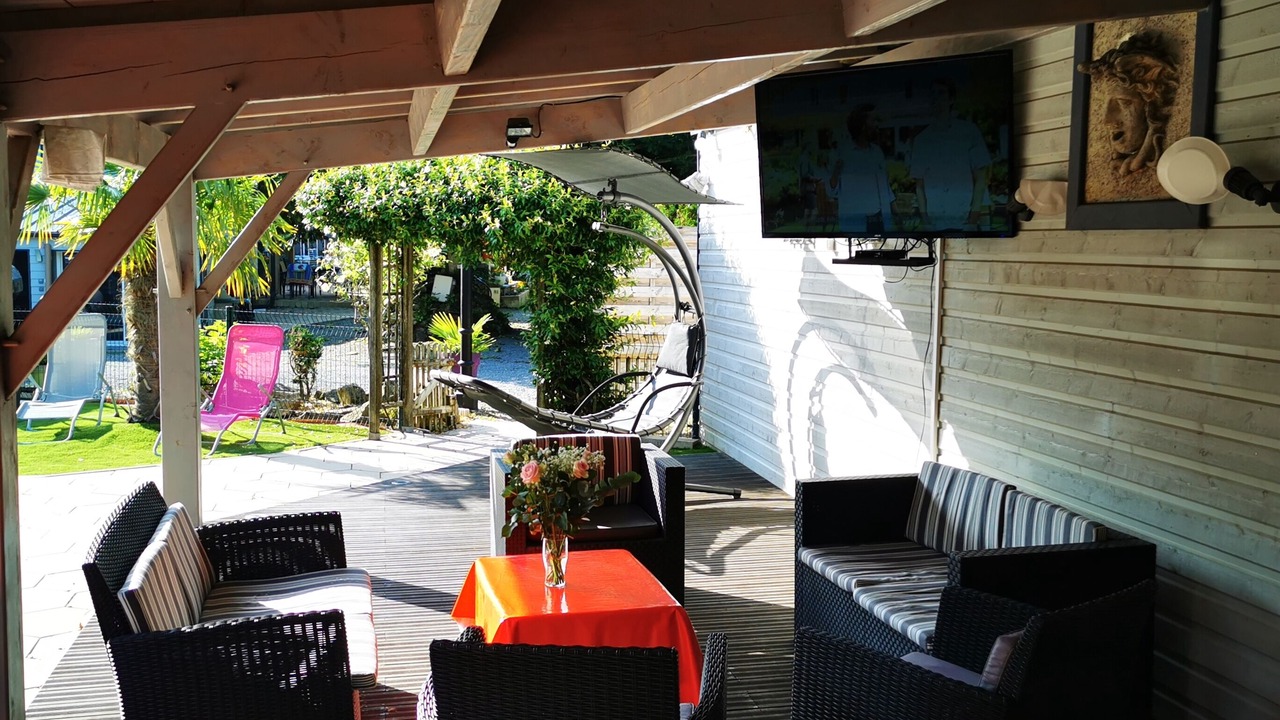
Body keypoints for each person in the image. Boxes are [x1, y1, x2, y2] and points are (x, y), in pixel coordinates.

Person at [909, 78, 992, 231]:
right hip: (935, 223)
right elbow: (919, 185)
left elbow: (981, 178)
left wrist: (972, 220)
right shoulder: (922, 140)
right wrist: (926, 221)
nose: (936, 98)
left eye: (941, 93)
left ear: (951, 99)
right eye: (933, 94)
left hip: (965, 221)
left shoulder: (969, 132)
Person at [829, 105, 894, 235]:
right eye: (873, 121)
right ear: (863, 126)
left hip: (878, 219)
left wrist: (897, 216)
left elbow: (885, 187)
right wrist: (836, 171)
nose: (877, 125)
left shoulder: (877, 152)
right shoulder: (842, 153)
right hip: (854, 223)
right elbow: (831, 188)